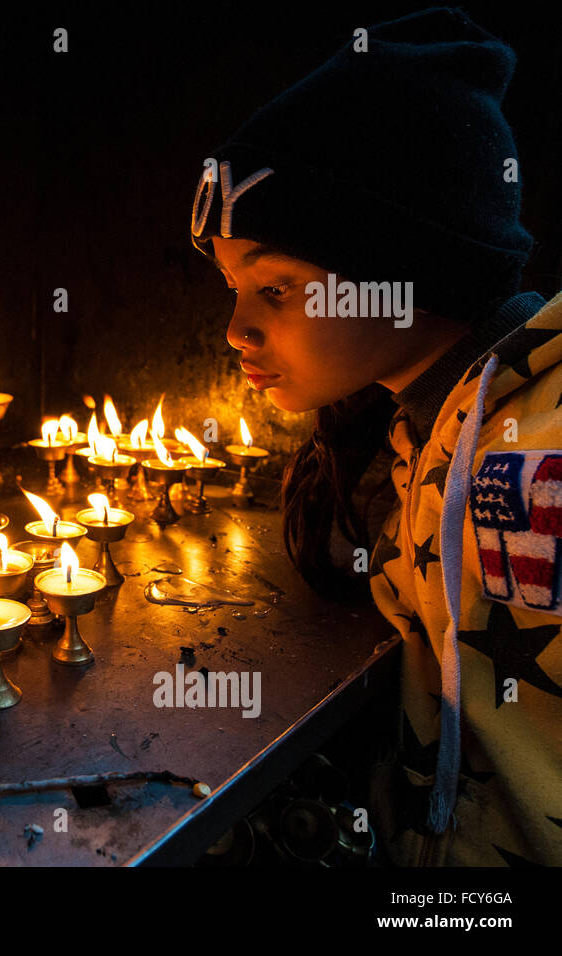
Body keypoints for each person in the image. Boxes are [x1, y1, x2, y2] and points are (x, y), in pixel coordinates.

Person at [189, 7, 562, 865]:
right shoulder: (426, 431)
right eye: (231, 289)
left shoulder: (538, 453)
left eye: (275, 288)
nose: (235, 330)